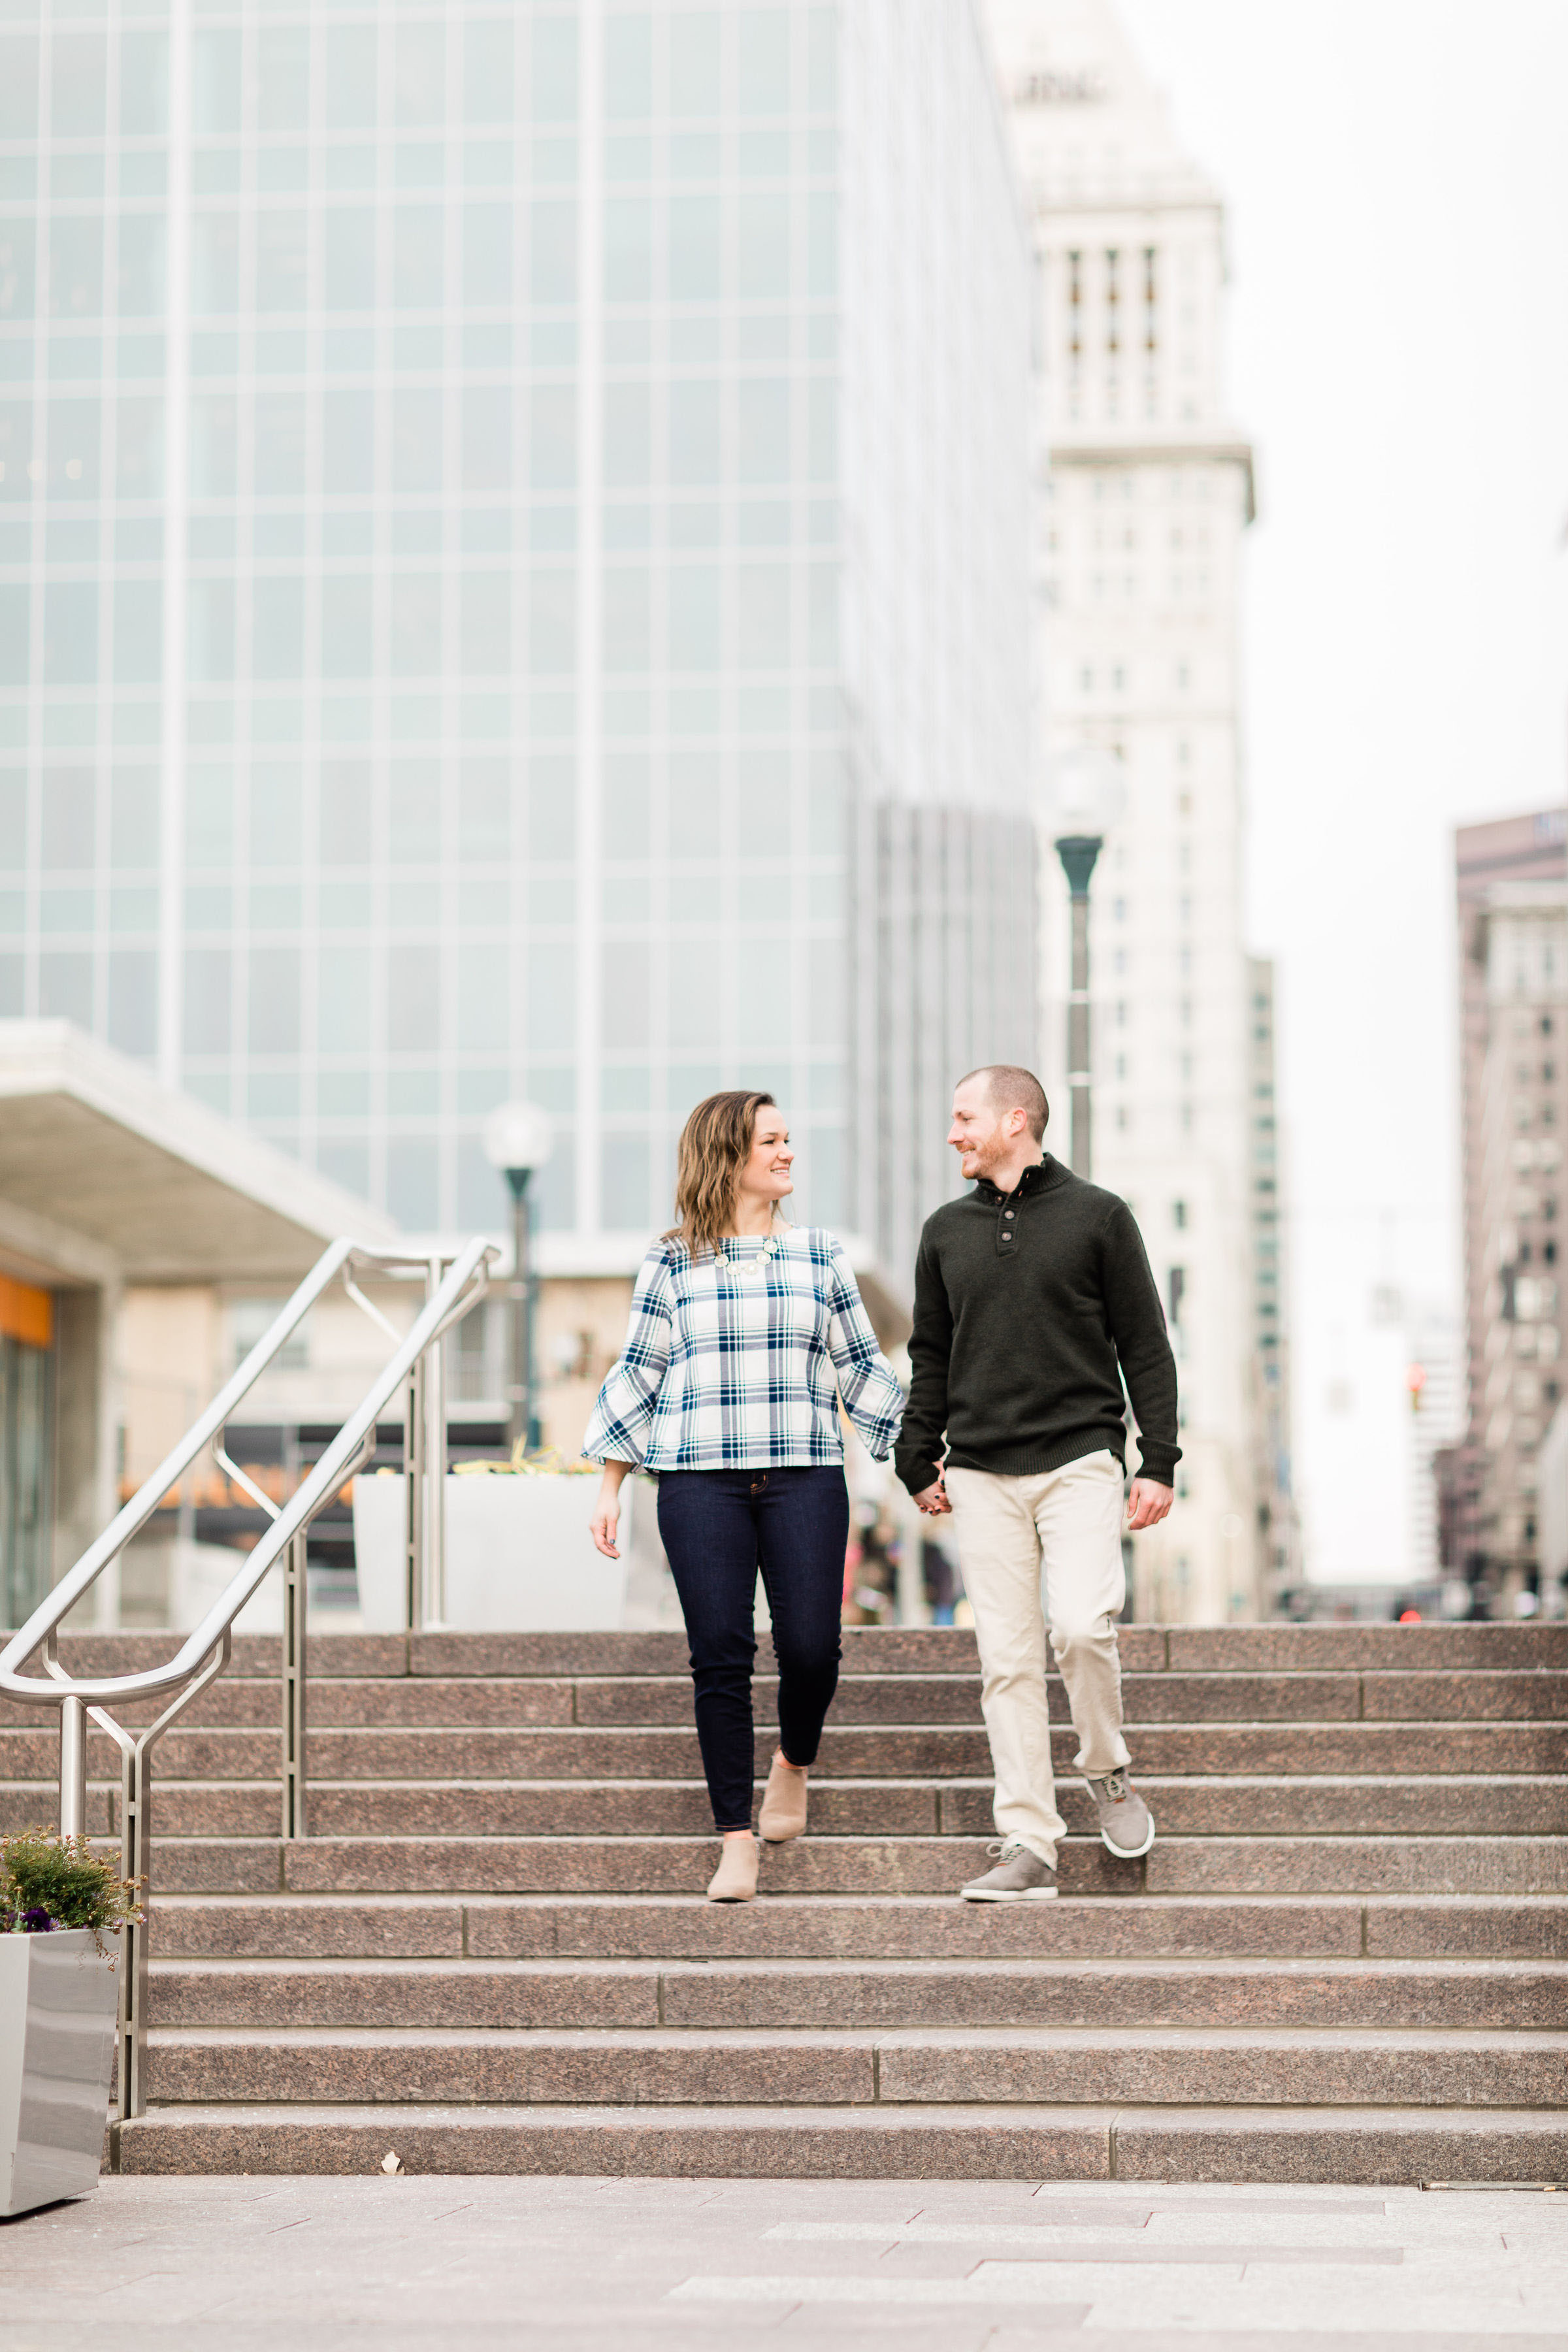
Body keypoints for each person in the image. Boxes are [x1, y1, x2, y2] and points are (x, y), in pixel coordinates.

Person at [585, 1090, 904, 1904]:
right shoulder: (668, 1262)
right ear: (729, 1156)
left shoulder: (821, 1257)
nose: (788, 1153)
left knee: (811, 1649)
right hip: (697, 1482)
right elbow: (640, 1371)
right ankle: (736, 1838)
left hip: (803, 1472)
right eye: (772, 1141)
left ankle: (793, 1760)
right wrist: (610, 1484)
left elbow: (862, 1369)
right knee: (720, 1658)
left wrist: (919, 1462)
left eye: (789, 1138)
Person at [894, 1064, 1178, 1901]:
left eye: (964, 1117)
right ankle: (1029, 1840)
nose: (953, 1133)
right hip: (981, 1472)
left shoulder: (1099, 1217)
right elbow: (930, 1355)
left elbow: (1146, 1344)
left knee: (1083, 1626)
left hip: (1081, 1461)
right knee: (1006, 1662)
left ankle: (1108, 1773)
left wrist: (1157, 1458)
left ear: (1015, 1120)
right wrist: (917, 1456)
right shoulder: (944, 1231)